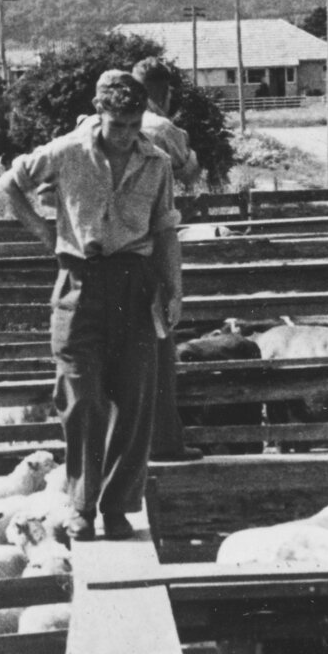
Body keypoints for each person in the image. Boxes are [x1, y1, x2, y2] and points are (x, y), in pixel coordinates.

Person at [0, 70, 181, 541]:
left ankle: (118, 507)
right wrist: (45, 232)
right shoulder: (65, 152)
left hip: (135, 285)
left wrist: (172, 288)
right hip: (80, 282)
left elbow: (164, 229)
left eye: (133, 124)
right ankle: (82, 507)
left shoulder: (156, 162)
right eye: (116, 124)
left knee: (136, 401)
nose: (124, 135)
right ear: (99, 114)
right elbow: (8, 185)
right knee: (82, 400)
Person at [133, 57, 205, 464]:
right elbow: (191, 171)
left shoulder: (93, 127)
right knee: (161, 347)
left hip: (114, 248)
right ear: (164, 92)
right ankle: (164, 441)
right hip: (154, 243)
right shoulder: (160, 127)